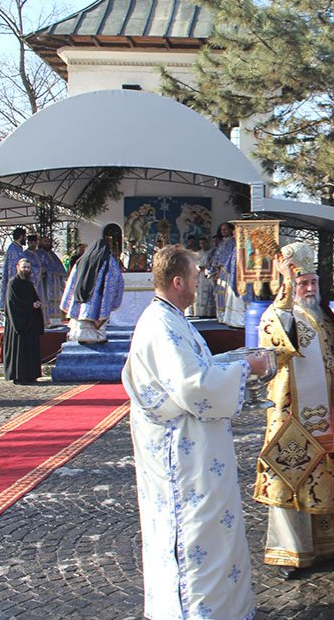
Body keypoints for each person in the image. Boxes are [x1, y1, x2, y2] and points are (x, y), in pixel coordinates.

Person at [122, 244, 271, 620]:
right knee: (196, 532)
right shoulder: (160, 324)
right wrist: (245, 370)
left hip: (196, 448)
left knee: (214, 528)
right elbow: (193, 386)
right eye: (194, 275)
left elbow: (194, 369)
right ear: (177, 281)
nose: (199, 280)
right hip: (182, 456)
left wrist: (232, 359)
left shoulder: (171, 319)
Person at [253, 241, 334, 577]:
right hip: (293, 417)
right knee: (292, 479)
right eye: (302, 283)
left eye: (313, 282)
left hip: (331, 417)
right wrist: (284, 287)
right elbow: (276, 346)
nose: (309, 288)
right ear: (289, 287)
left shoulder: (327, 318)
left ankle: (333, 545)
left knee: (329, 477)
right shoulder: (277, 314)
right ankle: (292, 552)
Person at [60, 237, 125, 343]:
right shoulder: (108, 260)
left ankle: (78, 335)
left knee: (80, 315)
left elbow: (72, 279)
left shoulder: (81, 260)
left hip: (80, 296)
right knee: (96, 314)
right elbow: (115, 278)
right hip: (97, 297)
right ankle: (96, 337)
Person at [3, 257, 44, 385]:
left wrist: (37, 304)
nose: (26, 270)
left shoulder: (29, 283)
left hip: (29, 321)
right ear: (18, 267)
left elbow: (34, 298)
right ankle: (19, 376)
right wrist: (30, 306)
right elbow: (12, 303)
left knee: (30, 349)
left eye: (28, 268)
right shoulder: (13, 283)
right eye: (24, 267)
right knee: (19, 351)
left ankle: (31, 374)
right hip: (18, 323)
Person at [0, 227, 40, 309]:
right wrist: (39, 270)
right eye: (25, 237)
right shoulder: (16, 251)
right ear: (21, 237)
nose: (25, 239)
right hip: (17, 286)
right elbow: (20, 269)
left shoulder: (14, 248)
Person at [36, 236, 67, 327]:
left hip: (56, 284)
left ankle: (56, 321)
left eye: (48, 242)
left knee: (56, 302)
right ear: (40, 243)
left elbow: (60, 268)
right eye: (45, 241)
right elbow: (39, 268)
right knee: (47, 301)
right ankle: (47, 320)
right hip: (46, 284)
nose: (47, 243)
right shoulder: (38, 254)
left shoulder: (53, 254)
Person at [193, 236, 216, 317]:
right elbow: (195, 264)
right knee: (199, 295)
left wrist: (206, 268)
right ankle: (200, 313)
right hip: (200, 276)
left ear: (207, 243)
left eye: (204, 243)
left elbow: (213, 264)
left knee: (208, 295)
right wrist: (198, 267)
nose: (202, 245)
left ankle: (209, 313)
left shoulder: (212, 252)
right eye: (201, 243)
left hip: (208, 276)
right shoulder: (198, 253)